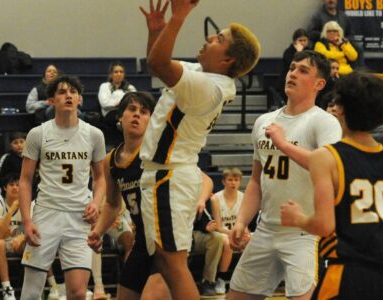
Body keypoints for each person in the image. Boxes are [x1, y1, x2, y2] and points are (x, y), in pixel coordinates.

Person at [138, 0, 261, 298]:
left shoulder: (208, 88)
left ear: (228, 60)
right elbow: (160, 63)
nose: (209, 38)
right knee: (167, 264)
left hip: (169, 177)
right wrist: (158, 31)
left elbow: (158, 65)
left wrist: (177, 18)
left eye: (219, 39)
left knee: (173, 262)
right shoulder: (206, 76)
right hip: (172, 175)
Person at [280, 72, 383, 300]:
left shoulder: (326, 157)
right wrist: (371, 231)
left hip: (345, 272)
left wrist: (298, 219)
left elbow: (324, 226)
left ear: (341, 108)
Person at [228, 50, 342, 299]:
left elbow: (329, 170)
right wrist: (241, 221)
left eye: (303, 70)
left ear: (319, 84)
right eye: (292, 68)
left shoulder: (324, 122)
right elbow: (256, 182)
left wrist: (283, 144)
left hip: (304, 233)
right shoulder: (264, 121)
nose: (293, 73)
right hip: (266, 229)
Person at [19, 75, 106, 300]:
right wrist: (27, 221)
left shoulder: (94, 135)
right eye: (62, 92)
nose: (68, 95)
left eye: (73, 92)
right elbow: (25, 180)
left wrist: (96, 203)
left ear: (79, 99)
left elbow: (100, 178)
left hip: (79, 217)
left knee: (77, 293)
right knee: (30, 293)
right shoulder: (37, 134)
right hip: (46, 213)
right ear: (51, 100)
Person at [87, 91, 170, 300]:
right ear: (120, 116)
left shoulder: (158, 151)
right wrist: (97, 231)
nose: (137, 115)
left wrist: (197, 200)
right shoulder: (110, 160)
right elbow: (113, 205)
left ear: (151, 120)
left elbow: (203, 179)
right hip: (141, 241)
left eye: (143, 112)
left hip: (167, 240)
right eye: (132, 109)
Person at [0, 174, 27, 300]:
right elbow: (0, 235)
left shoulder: (27, 202)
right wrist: (11, 211)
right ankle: (7, 288)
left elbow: (34, 229)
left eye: (17, 185)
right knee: (0, 243)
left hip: (17, 241)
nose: (15, 188)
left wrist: (22, 237)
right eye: (11, 185)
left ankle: (36, 286)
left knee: (35, 242)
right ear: (5, 187)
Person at [210, 167, 246, 294]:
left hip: (238, 232)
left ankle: (247, 280)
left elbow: (245, 224)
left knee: (253, 239)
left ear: (240, 182)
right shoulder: (215, 199)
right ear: (224, 182)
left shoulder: (244, 197)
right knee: (226, 242)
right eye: (230, 180)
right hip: (222, 233)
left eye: (236, 180)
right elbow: (219, 227)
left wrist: (244, 234)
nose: (233, 183)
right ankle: (221, 279)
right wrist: (232, 234)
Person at [191, 173, 226, 296]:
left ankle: (208, 280)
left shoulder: (199, 198)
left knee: (216, 238)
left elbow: (207, 220)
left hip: (193, 234)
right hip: (175, 233)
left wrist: (207, 227)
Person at [278, 28, 311, 103]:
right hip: (289, 80)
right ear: (295, 41)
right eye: (300, 40)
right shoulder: (288, 52)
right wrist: (299, 52)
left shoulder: (310, 51)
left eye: (304, 40)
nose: (302, 43)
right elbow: (294, 65)